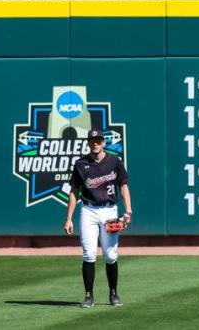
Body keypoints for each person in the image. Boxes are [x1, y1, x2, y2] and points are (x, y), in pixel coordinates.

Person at [63, 128, 132, 308]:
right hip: (89, 210)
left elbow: (123, 187)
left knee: (110, 255)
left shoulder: (114, 161)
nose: (96, 143)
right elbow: (74, 192)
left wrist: (128, 212)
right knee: (89, 254)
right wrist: (68, 218)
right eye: (92, 140)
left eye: (99, 140)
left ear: (104, 143)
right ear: (88, 143)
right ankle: (88, 295)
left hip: (110, 211)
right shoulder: (80, 164)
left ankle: (113, 293)